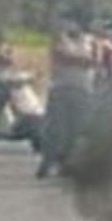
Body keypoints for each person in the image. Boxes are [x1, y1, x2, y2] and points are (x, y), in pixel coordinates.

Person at [38, 16, 98, 178]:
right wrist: (81, 60)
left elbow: (94, 61)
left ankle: (67, 164)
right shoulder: (60, 38)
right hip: (60, 88)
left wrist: (78, 60)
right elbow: (61, 57)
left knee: (77, 129)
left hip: (83, 90)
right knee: (56, 129)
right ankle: (47, 162)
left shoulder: (90, 41)